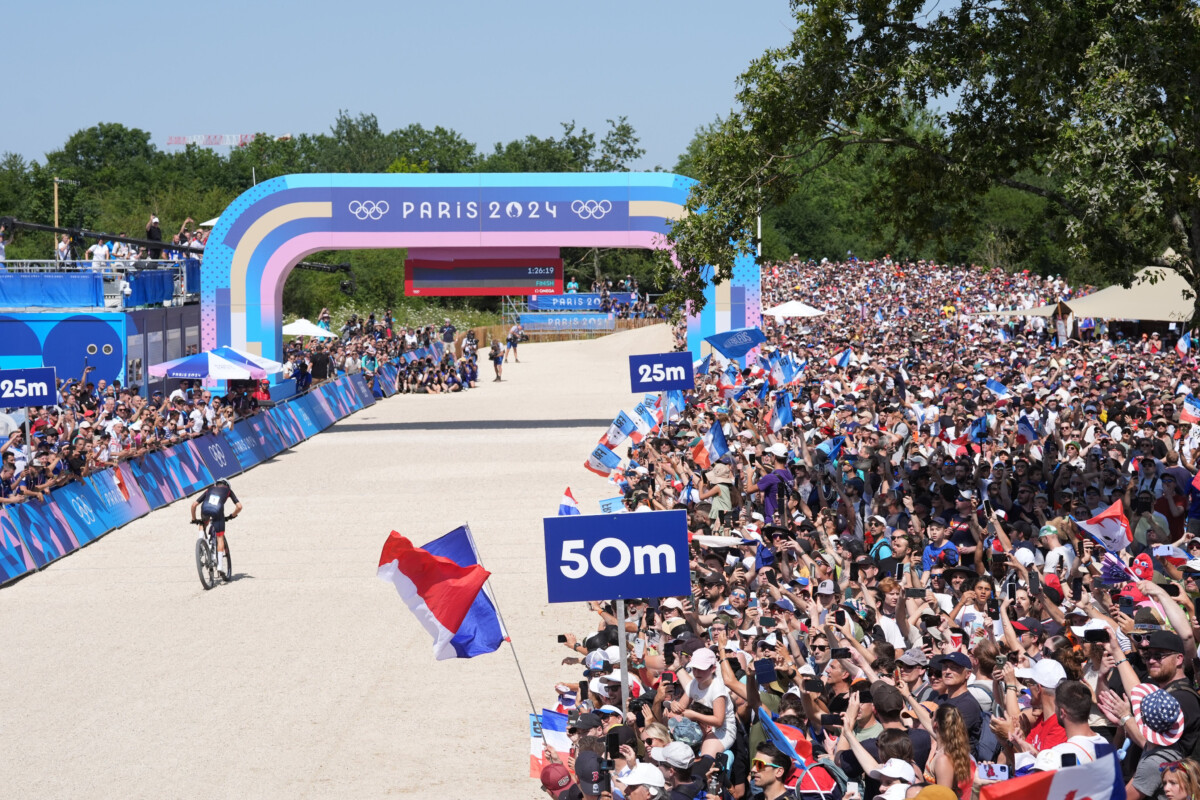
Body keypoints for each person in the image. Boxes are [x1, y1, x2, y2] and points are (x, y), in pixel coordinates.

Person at [190, 478, 242, 581]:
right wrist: (232, 516)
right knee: (220, 538)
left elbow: (194, 505)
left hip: (205, 508)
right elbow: (239, 506)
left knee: (202, 523)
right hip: (218, 511)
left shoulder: (209, 489)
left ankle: (201, 543)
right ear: (227, 485)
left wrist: (194, 519)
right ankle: (220, 567)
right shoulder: (228, 491)